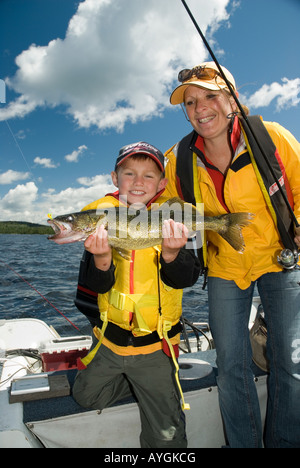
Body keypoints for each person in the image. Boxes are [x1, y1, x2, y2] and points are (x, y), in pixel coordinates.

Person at [164, 61, 300, 448]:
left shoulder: (271, 137)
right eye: (189, 102)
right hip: (224, 266)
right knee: (229, 368)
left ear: (233, 98)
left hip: (281, 259)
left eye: (210, 95)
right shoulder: (179, 159)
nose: (200, 107)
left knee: (291, 365)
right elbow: (171, 210)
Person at [73, 142, 201, 448]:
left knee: (166, 439)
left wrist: (172, 253)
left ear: (163, 183)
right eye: (129, 173)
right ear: (115, 179)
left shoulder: (176, 216)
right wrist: (102, 259)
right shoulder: (101, 217)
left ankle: (152, 390)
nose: (138, 182)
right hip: (109, 343)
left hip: (155, 348)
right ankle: (138, 387)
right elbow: (98, 285)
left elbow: (188, 278)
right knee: (84, 395)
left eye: (148, 175)